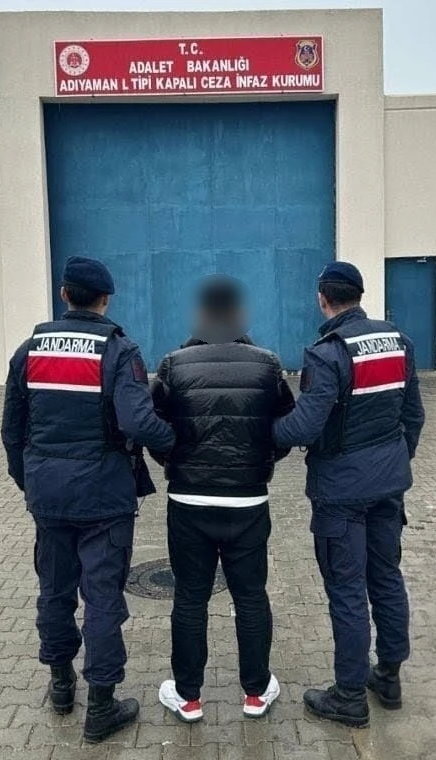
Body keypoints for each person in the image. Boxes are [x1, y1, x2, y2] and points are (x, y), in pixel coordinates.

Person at [1, 255, 175, 743]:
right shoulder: (118, 350)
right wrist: (176, 445)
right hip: (103, 495)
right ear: (105, 300)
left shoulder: (29, 351)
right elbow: (137, 421)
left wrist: (29, 479)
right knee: (102, 597)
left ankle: (61, 685)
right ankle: (101, 705)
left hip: (48, 493)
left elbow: (12, 429)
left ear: (64, 294)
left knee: (55, 589)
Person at [272, 261, 425, 729]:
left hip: (341, 493)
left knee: (347, 591)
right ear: (360, 295)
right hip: (387, 486)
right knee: (386, 577)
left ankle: (350, 695)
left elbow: (305, 426)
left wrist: (262, 434)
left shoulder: (327, 354)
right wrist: (394, 461)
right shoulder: (398, 342)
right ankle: (389, 677)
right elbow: (414, 416)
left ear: (323, 298)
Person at [149, 275, 295, 723]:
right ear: (240, 314)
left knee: (190, 598)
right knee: (250, 597)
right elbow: (286, 428)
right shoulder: (268, 364)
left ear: (200, 315)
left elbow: (153, 427)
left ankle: (188, 697)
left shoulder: (173, 365)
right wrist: (261, 461)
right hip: (248, 502)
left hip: (188, 501)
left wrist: (174, 461)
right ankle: (256, 692)